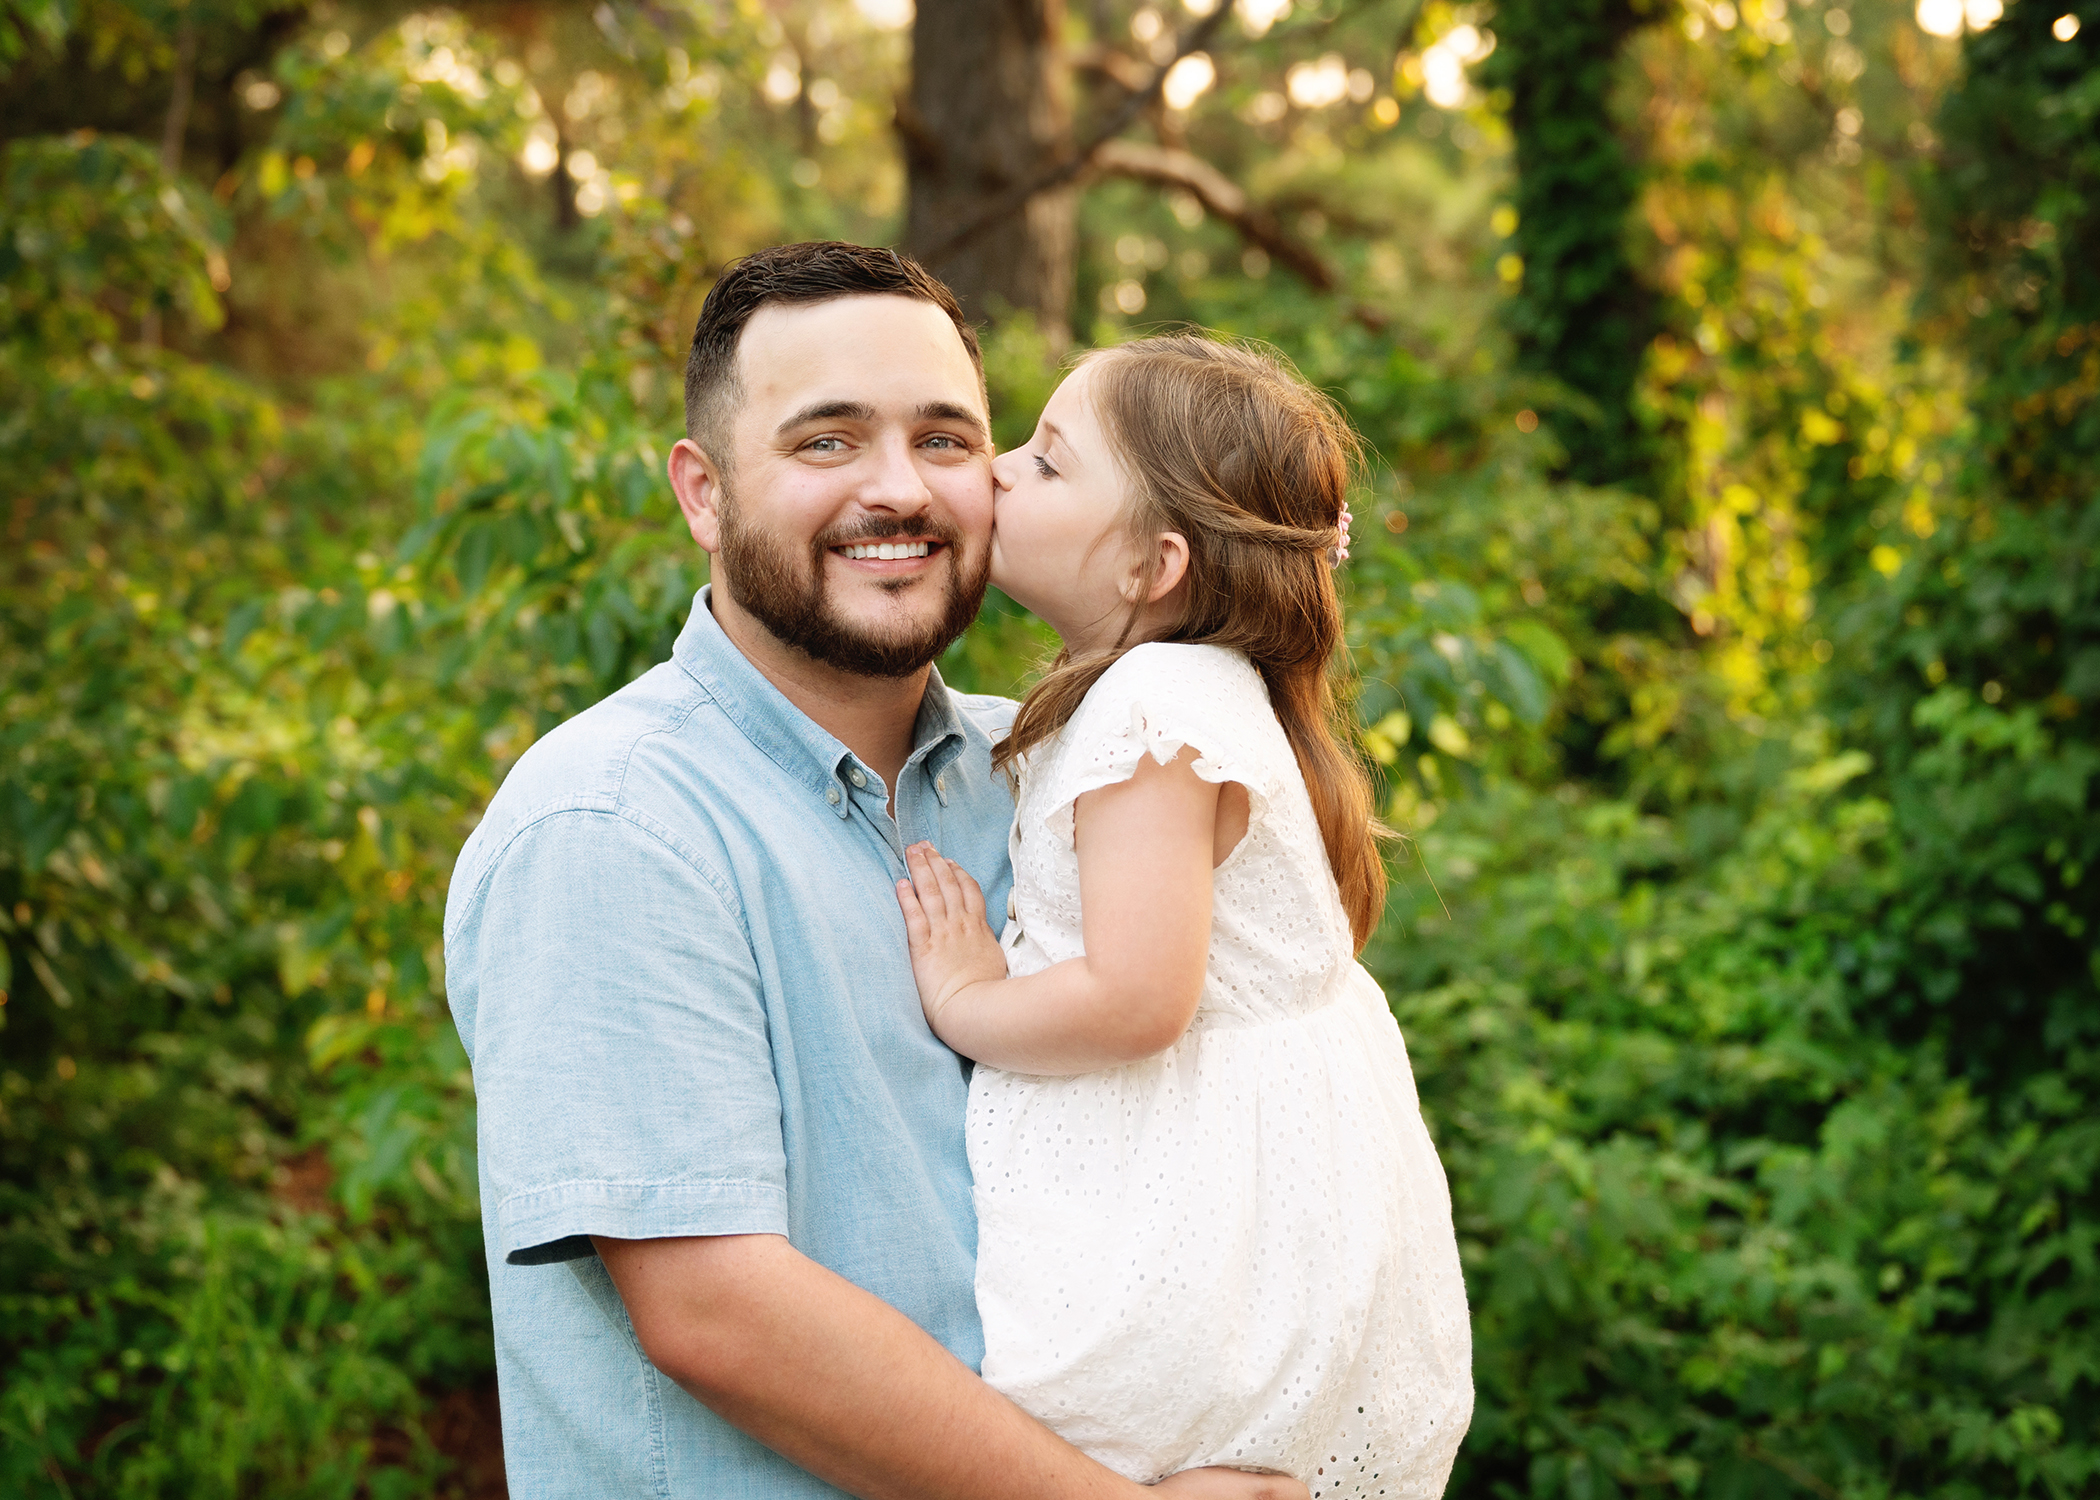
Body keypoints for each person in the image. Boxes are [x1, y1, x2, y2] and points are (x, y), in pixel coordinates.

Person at [444, 243, 1308, 1500]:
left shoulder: (1067, 781)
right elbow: (715, 1313)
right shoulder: (613, 825)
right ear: (704, 491)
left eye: (948, 440)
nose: (899, 489)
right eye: (827, 442)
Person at [895, 333, 1475, 1496]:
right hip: (1268, 1198)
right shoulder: (1185, 693)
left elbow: (1138, 997)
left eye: (1049, 463)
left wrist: (968, 1000)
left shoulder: (1155, 709)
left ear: (1153, 566)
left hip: (1195, 1224)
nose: (999, 469)